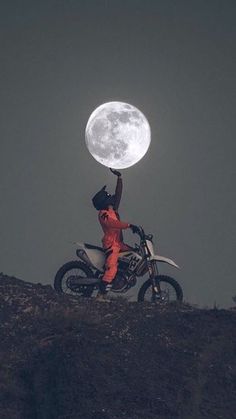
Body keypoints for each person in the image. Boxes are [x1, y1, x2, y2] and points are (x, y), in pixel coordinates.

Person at [92, 168, 137, 299]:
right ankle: (100, 296)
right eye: (107, 196)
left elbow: (118, 195)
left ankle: (123, 278)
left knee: (134, 254)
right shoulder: (103, 214)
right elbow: (112, 224)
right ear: (104, 202)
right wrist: (129, 225)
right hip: (111, 244)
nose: (110, 196)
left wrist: (120, 178)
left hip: (119, 243)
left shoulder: (112, 210)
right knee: (112, 268)